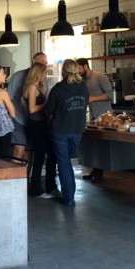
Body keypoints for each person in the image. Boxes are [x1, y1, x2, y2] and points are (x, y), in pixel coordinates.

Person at [45, 59, 89, 206]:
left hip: (60, 130)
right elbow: (85, 104)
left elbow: (49, 110)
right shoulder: (83, 87)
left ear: (63, 71)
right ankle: (69, 194)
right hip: (77, 129)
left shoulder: (58, 88)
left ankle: (68, 198)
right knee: (66, 161)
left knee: (63, 162)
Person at [22, 62, 58, 198]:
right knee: (39, 157)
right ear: (38, 73)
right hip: (35, 125)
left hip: (41, 124)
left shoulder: (39, 86)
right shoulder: (32, 87)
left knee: (47, 154)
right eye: (44, 73)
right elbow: (32, 109)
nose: (45, 75)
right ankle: (37, 189)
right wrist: (46, 104)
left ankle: (47, 186)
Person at [7, 52, 49, 161]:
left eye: (46, 63)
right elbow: (8, 98)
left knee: (29, 153)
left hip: (33, 122)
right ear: (34, 61)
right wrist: (11, 115)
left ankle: (26, 173)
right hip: (18, 120)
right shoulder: (18, 76)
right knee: (19, 151)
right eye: (42, 62)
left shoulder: (43, 80)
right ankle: (16, 172)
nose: (44, 65)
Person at [76, 58, 112, 183]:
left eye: (79, 68)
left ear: (85, 66)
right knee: (93, 145)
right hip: (92, 117)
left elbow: (110, 94)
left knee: (101, 145)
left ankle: (99, 173)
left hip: (104, 116)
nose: (77, 71)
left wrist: (92, 98)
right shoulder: (82, 81)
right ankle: (95, 170)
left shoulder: (100, 77)